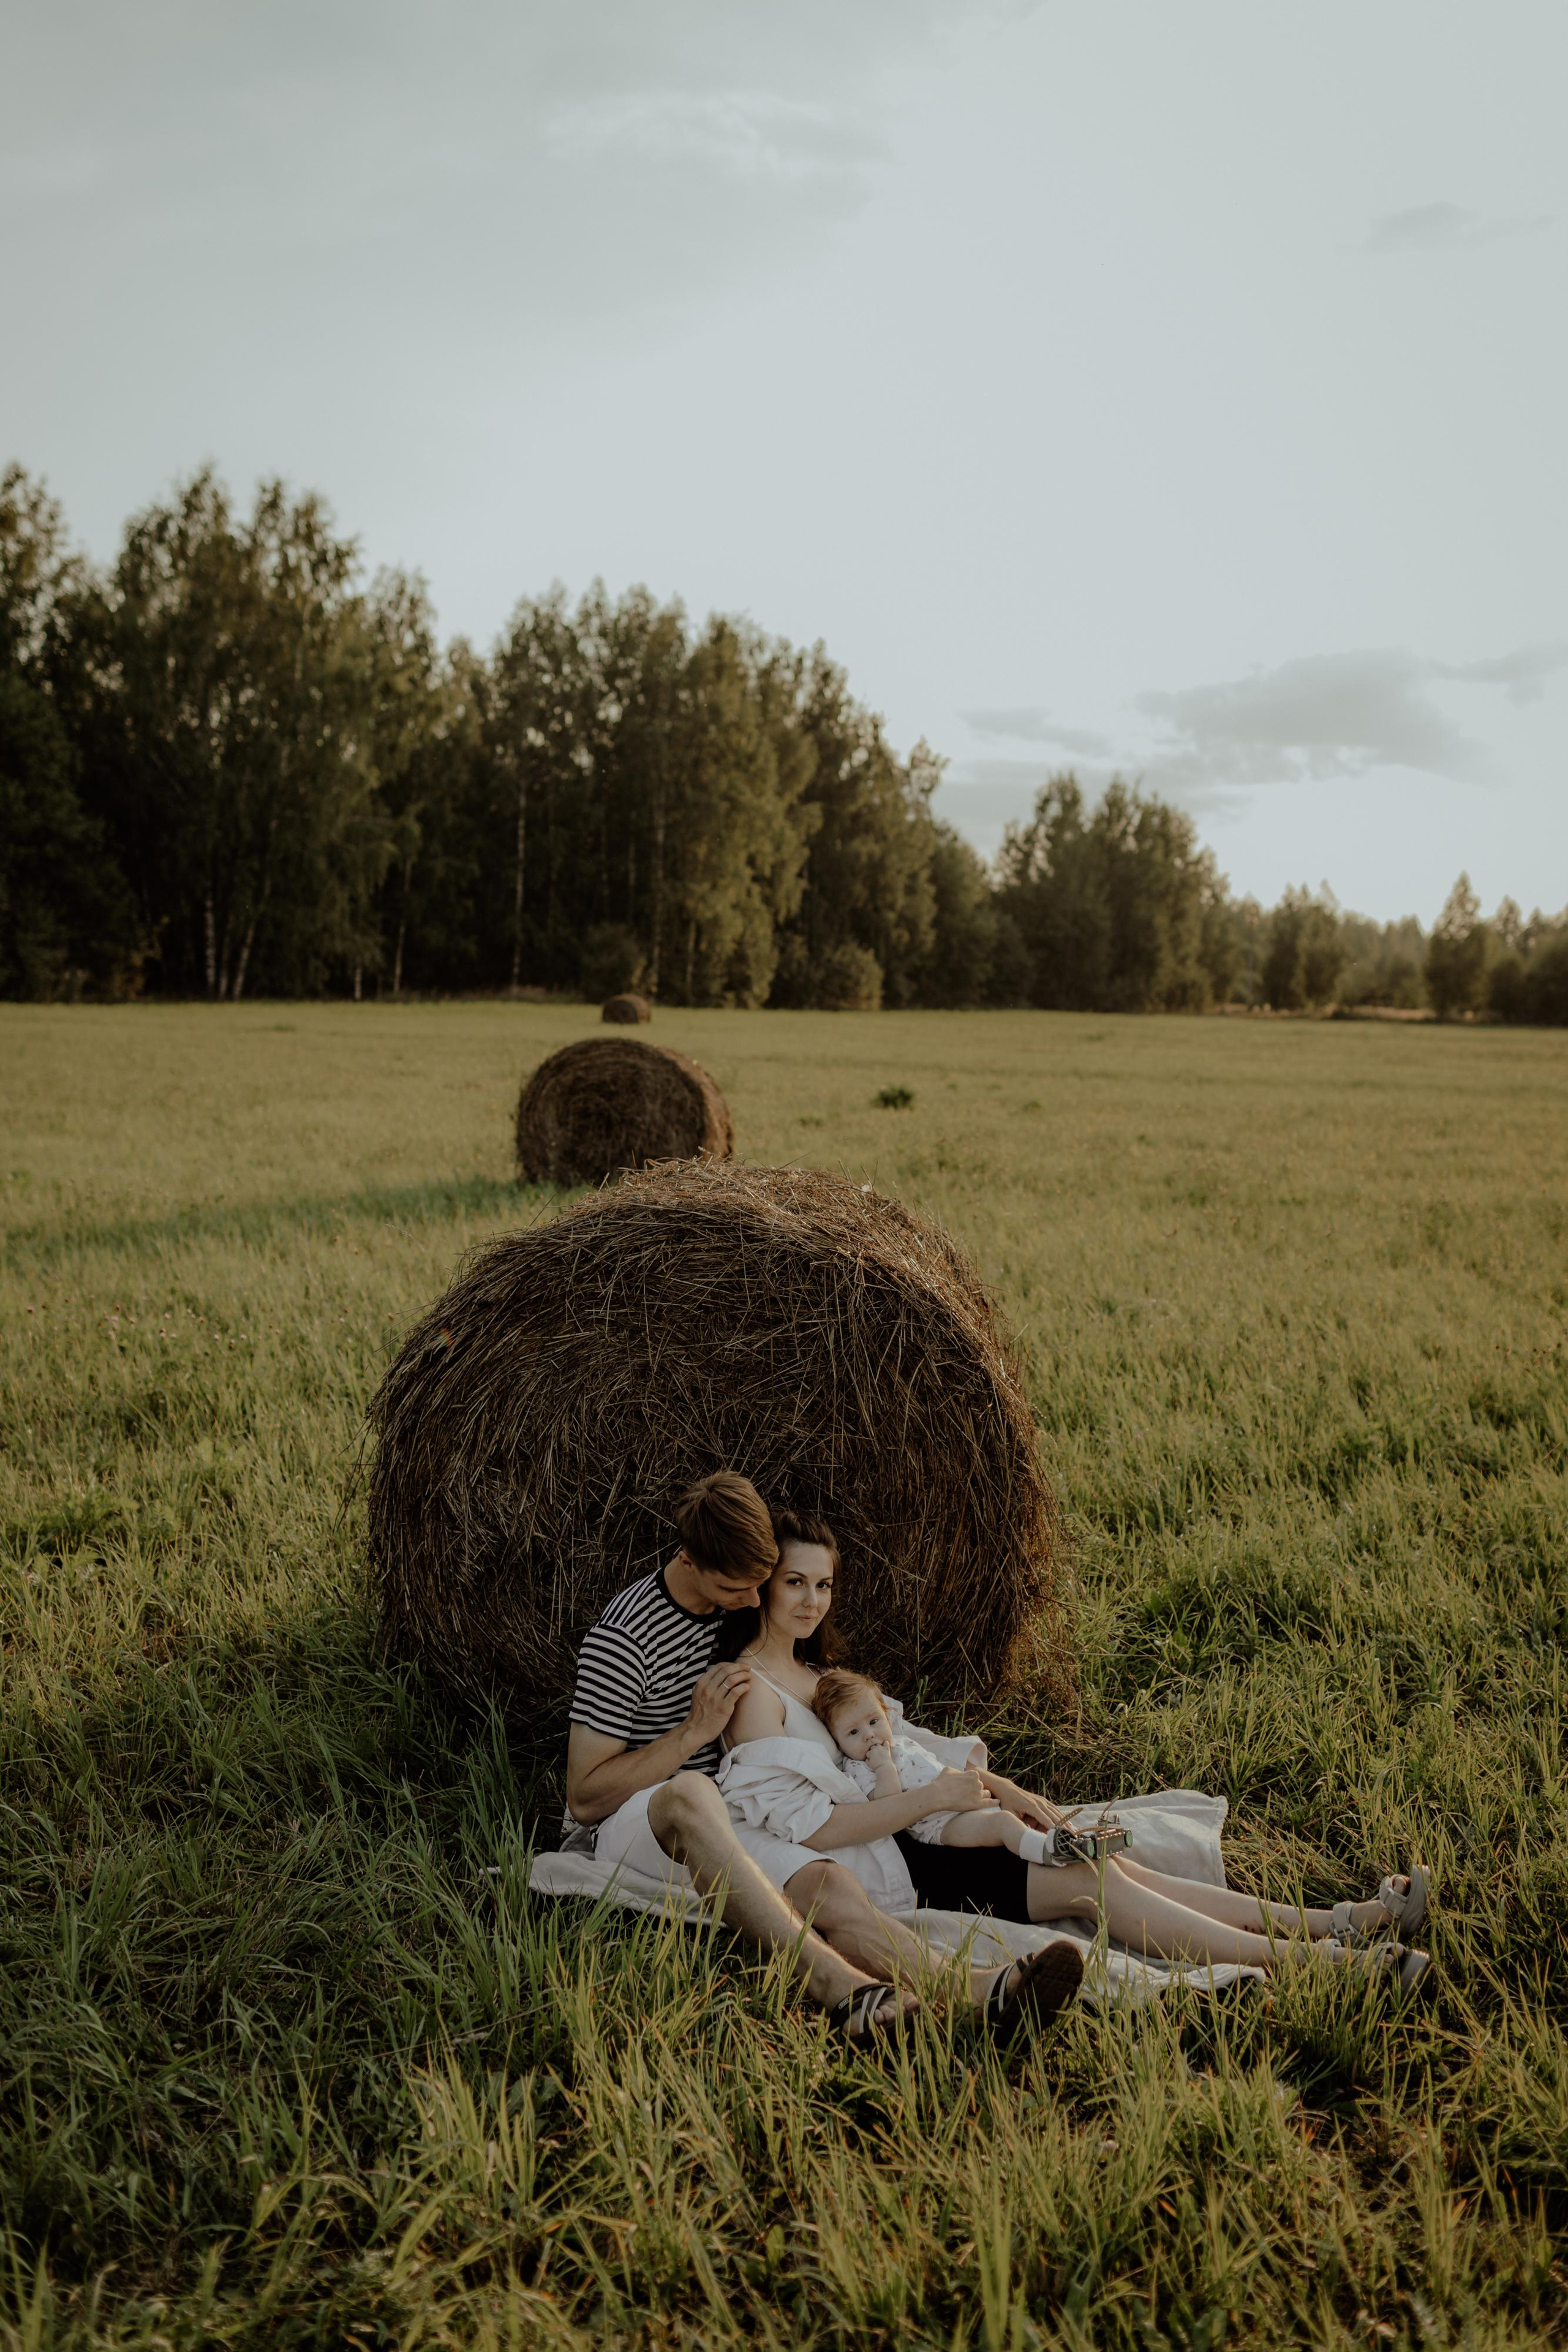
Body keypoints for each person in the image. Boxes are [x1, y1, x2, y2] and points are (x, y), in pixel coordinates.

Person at [716, 1513, 1433, 1991]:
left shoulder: (817, 1676)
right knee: (1094, 1883)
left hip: (937, 1823)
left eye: (824, 1584)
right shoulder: (754, 1691)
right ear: (761, 1585)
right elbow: (808, 1828)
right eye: (795, 1583)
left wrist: (1003, 1789)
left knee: (1106, 1859)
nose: (812, 1601)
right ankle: (1336, 1965)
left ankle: (1339, 1920)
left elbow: (902, 1746)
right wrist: (935, 1799)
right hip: (904, 1862)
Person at [562, 1471, 1084, 2045]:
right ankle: (843, 1992)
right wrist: (691, 1736)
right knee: (693, 1791)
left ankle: (978, 1993)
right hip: (641, 1819)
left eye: (764, 1582)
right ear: (688, 1559)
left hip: (734, 1810)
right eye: (739, 1589)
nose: (756, 1600)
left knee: (828, 1887)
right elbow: (585, 1800)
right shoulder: (624, 1640)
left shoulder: (737, 1606)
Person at [813, 1667, 1059, 1860]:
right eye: (853, 1732)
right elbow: (888, 1804)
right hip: (939, 1824)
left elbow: (937, 1763)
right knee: (1003, 1824)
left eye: (874, 1721)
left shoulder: (901, 1741)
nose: (869, 1735)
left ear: (886, 1715)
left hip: (964, 1803)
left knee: (1012, 1819)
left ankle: (1061, 1844)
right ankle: (1050, 1855)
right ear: (837, 1741)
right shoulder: (859, 1767)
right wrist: (884, 1768)